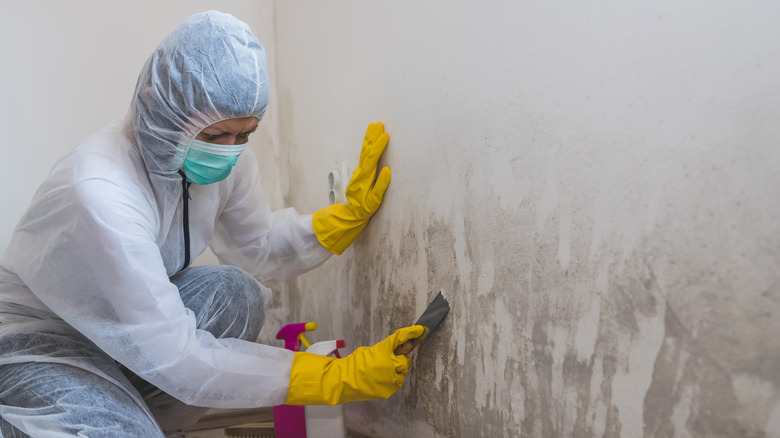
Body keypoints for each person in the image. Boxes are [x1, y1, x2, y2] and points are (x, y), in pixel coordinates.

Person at [0, 10, 423, 437]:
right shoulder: (100, 191)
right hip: (43, 342)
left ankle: (133, 421)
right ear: (159, 104)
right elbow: (178, 357)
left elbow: (256, 247)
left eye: (245, 135)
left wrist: (340, 221)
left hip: (126, 336)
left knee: (235, 293)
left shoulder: (223, 157)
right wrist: (333, 376)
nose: (230, 150)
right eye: (216, 136)